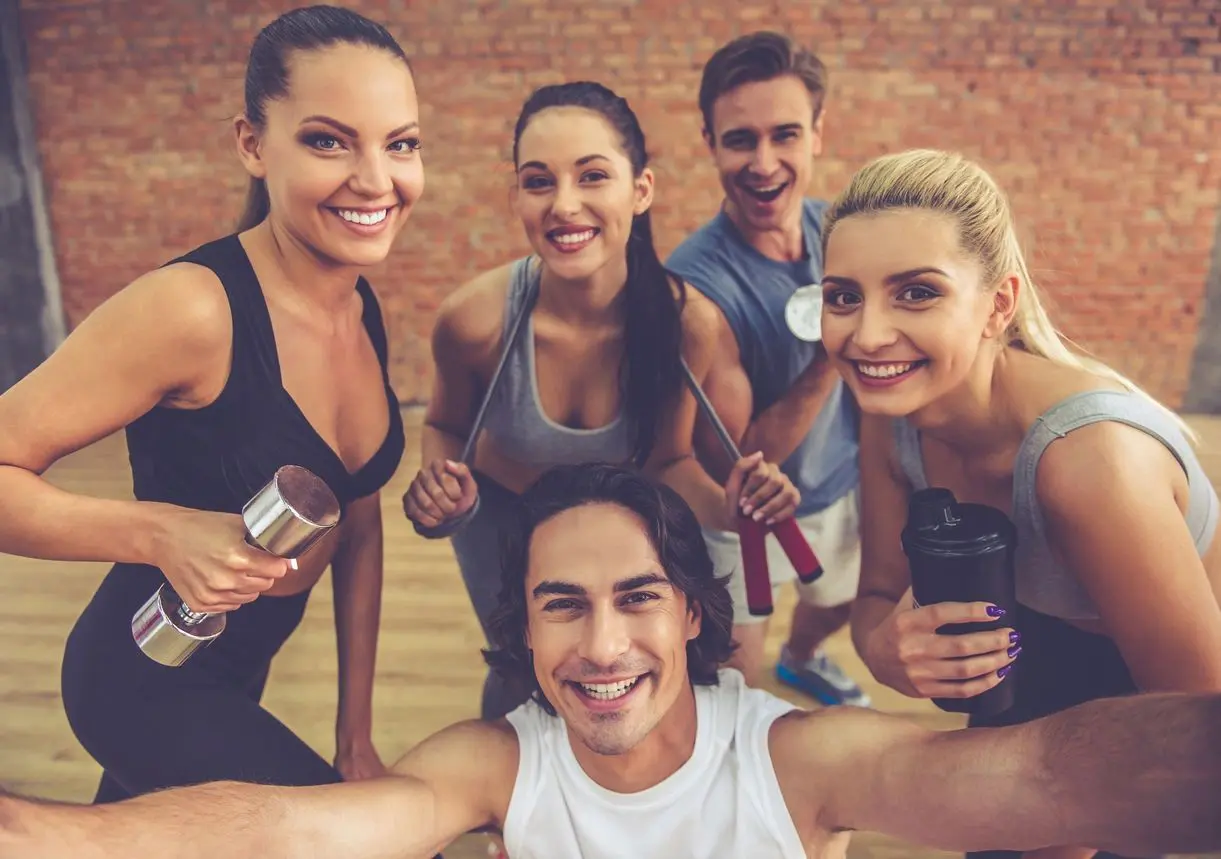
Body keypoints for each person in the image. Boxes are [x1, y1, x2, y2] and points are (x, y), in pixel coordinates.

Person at [4, 462, 1221, 859]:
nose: (599, 648)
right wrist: (41, 831)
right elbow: (290, 829)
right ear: (522, 631)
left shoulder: (796, 758)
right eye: (560, 607)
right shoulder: (494, 760)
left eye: (637, 599)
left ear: (692, 614)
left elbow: (1054, 777)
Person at [0, 5, 414, 804]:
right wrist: (161, 531)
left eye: (399, 143)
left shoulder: (358, 305)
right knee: (352, 835)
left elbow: (356, 518)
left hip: (239, 665)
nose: (375, 178)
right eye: (329, 140)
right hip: (142, 676)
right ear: (252, 145)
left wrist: (353, 730)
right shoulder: (193, 309)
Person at [822, 149, 1221, 859]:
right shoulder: (889, 412)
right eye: (843, 295)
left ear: (996, 304)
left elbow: (1200, 732)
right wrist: (885, 652)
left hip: (1161, 696)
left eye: (916, 292)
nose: (867, 333)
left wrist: (1066, 815)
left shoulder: (1088, 464)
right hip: (1033, 655)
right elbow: (876, 598)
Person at [402, 81, 799, 721]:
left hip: (621, 530)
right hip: (506, 520)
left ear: (640, 190)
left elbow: (669, 465)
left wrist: (730, 504)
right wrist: (441, 490)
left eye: (592, 176)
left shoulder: (687, 325)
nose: (564, 205)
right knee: (521, 675)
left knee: (613, 682)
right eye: (539, 182)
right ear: (517, 196)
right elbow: (446, 427)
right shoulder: (473, 321)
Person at [666, 31, 868, 705]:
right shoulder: (696, 292)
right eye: (739, 139)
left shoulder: (843, 233)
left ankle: (803, 656)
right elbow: (735, 462)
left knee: (837, 601)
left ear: (816, 135)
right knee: (732, 687)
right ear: (709, 143)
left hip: (841, 485)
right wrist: (828, 361)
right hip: (743, 517)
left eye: (783, 135)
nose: (762, 162)